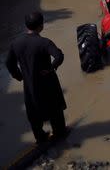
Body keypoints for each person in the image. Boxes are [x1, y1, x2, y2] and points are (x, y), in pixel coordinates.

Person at [6, 12, 67, 144]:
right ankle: (60, 134)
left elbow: (9, 63)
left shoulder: (16, 43)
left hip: (30, 85)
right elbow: (59, 56)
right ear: (41, 26)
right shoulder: (44, 43)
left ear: (26, 25)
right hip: (48, 84)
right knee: (55, 111)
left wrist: (19, 76)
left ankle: (40, 137)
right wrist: (52, 68)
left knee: (33, 112)